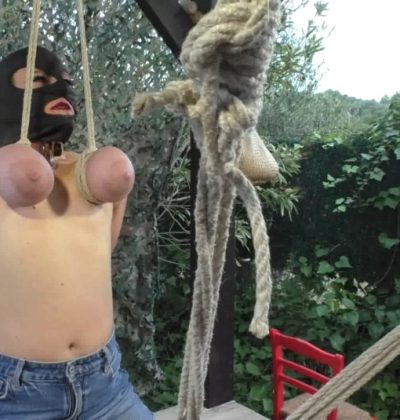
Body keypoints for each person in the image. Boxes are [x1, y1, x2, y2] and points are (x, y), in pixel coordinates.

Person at [0, 46, 154, 419]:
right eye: (39, 80)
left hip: (105, 379)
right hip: (17, 392)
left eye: (66, 82)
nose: (60, 90)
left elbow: (100, 254)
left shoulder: (94, 178)